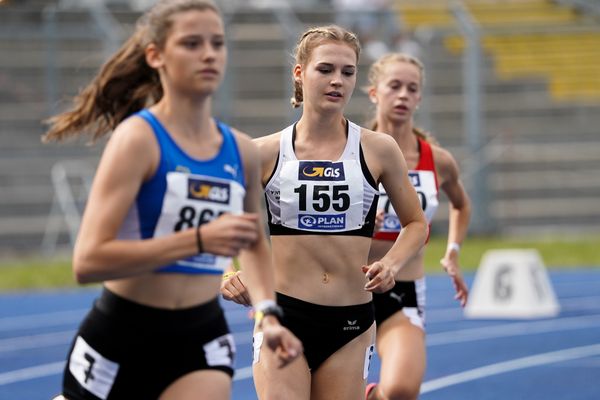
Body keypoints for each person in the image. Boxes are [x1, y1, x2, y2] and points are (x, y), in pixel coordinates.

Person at [43, 1, 302, 399]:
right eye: (192, 43)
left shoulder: (240, 151)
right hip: (124, 333)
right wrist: (197, 241)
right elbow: (88, 262)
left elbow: (252, 241)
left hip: (200, 335)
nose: (209, 54)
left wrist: (267, 313)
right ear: (156, 55)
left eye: (217, 43)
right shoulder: (138, 139)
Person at [221, 25, 429, 399]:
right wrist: (226, 272)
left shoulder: (378, 149)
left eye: (347, 72)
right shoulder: (263, 152)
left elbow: (416, 223)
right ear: (300, 74)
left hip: (351, 321)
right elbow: (221, 220)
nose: (337, 81)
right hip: (283, 314)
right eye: (326, 69)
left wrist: (392, 263)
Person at [364, 53, 471, 400]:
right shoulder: (349, 152)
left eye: (412, 89)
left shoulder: (437, 160)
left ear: (420, 98)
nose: (403, 95)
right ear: (374, 92)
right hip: (348, 288)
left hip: (403, 290)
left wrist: (452, 251)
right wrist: (359, 220)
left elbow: (461, 204)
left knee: (400, 390)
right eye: (394, 86)